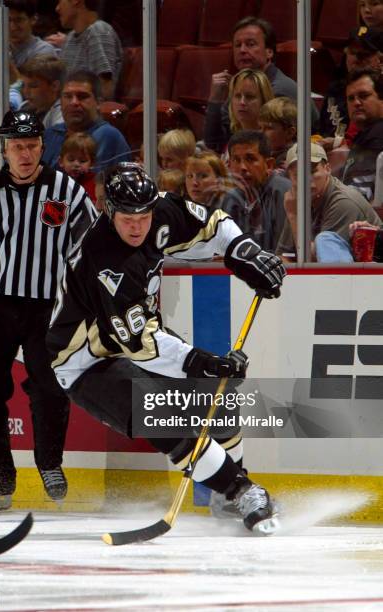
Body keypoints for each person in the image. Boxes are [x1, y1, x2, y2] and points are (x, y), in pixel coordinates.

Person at [46, 162, 286, 534]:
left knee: (215, 394)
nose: (137, 226)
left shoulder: (161, 209)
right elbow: (141, 345)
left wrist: (245, 251)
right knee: (160, 414)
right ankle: (242, 491)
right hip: (85, 360)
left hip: (135, 337)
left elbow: (215, 224)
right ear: (110, 211)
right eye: (127, 217)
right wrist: (201, 361)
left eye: (143, 216)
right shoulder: (105, 260)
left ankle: (228, 492)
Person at [0, 110, 97, 512]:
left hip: (50, 307)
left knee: (49, 384)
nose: (25, 154)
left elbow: (91, 254)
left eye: (31, 146)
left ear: (43, 147)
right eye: (16, 147)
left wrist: (83, 308)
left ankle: (49, 463)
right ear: (5, 150)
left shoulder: (68, 192)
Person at [205, 16, 318, 153]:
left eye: (250, 44)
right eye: (237, 45)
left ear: (269, 52)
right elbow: (214, 143)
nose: (242, 50)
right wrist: (215, 100)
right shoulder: (243, 86)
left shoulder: (280, 91)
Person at [276, 142, 382, 262]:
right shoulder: (298, 200)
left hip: (368, 277)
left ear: (327, 169)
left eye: (312, 171)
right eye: (298, 174)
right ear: (290, 178)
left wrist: (294, 216)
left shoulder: (343, 202)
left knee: (324, 239)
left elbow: (325, 267)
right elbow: (283, 256)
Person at [42, 70, 131, 171]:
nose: (74, 102)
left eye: (82, 96)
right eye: (67, 96)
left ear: (98, 103)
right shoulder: (51, 134)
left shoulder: (108, 136)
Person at [221, 130, 290, 251]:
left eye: (250, 159)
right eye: (236, 160)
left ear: (269, 165)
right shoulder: (231, 198)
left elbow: (284, 253)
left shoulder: (285, 193)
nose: (242, 167)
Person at [319, 27, 383, 144]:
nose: (356, 59)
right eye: (352, 53)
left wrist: (337, 144)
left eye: (364, 54)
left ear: (380, 59)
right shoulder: (336, 88)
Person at [47, 0, 123, 100]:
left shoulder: (98, 31)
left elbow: (105, 91)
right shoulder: (70, 38)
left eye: (60, 1)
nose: (57, 8)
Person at [0, 0, 58, 68]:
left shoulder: (43, 51)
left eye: (19, 20)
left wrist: (0, 51)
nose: (12, 27)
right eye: (8, 20)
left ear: (33, 19)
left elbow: (22, 88)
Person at [204, 68, 274, 153]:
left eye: (249, 97)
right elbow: (212, 144)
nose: (242, 102)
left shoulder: (271, 141)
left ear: (264, 101)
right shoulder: (231, 135)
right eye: (237, 96)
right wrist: (215, 98)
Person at [342, 67, 383, 202]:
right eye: (351, 98)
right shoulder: (367, 133)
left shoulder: (378, 135)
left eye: (364, 96)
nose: (356, 103)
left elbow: (358, 195)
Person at [18, 54, 65, 128]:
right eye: (23, 85)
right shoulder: (25, 107)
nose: (25, 91)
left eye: (33, 86)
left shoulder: (62, 114)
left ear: (54, 86)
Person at [259, 97, 297, 171]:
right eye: (260, 127)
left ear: (289, 133)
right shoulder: (264, 153)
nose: (261, 132)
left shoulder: (293, 160)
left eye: (268, 128)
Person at [58, 131, 97, 201]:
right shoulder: (57, 180)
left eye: (82, 161)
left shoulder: (95, 184)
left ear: (92, 163)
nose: (76, 164)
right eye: (71, 160)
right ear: (61, 161)